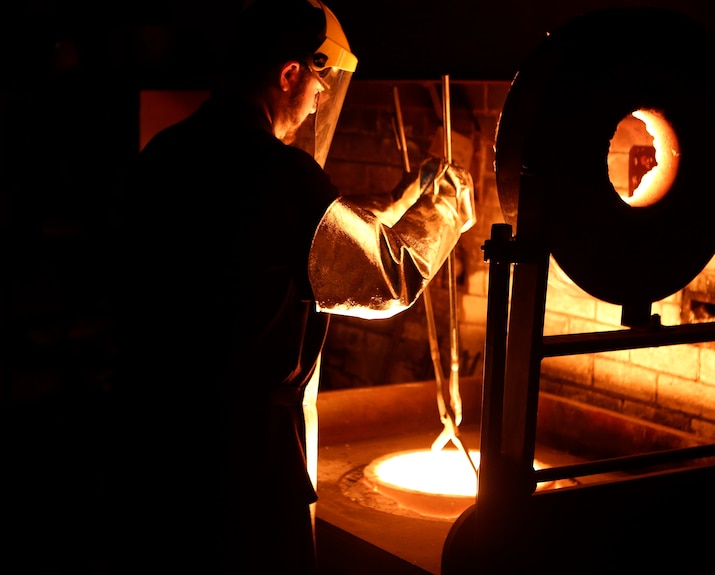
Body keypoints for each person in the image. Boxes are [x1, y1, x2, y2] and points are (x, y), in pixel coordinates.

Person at [111, 0, 475, 573]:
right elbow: (386, 280)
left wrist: (402, 199)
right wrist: (449, 211)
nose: (319, 103)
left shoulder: (167, 152)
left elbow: (292, 240)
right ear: (289, 74)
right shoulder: (279, 173)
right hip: (242, 459)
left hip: (155, 438)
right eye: (320, 86)